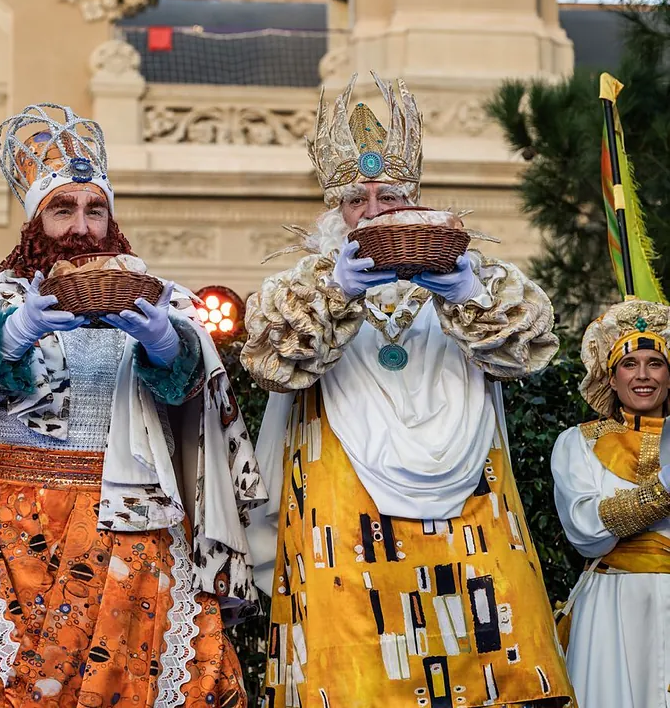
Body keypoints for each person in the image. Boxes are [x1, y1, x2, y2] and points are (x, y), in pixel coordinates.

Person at [0, 104, 267, 708]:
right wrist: (11, 334)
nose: (81, 225)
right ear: (34, 222)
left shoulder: (160, 301)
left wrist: (165, 345)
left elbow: (193, 390)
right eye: (62, 209)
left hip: (134, 526)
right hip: (11, 529)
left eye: (95, 209)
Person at [240, 73, 573, 707]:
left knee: (490, 650)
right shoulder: (306, 283)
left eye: (389, 197)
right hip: (346, 502)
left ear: (416, 200)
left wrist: (467, 296)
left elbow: (528, 346)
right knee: (357, 664)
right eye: (356, 201)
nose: (373, 212)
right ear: (336, 212)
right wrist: (338, 291)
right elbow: (270, 359)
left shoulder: (475, 274)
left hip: (471, 498)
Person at [552, 299, 670, 707]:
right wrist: (664, 490)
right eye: (629, 364)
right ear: (611, 377)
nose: (642, 376)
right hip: (612, 605)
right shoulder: (578, 443)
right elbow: (587, 533)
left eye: (655, 363)